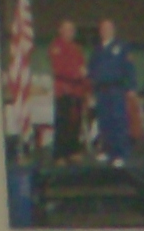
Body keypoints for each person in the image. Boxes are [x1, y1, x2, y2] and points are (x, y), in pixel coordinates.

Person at [88, 18, 135, 163]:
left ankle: (121, 154)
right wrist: (91, 90)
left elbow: (129, 68)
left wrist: (131, 87)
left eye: (108, 28)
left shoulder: (122, 47)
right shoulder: (97, 50)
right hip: (101, 91)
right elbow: (92, 71)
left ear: (113, 30)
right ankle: (107, 150)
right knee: (104, 122)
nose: (105, 31)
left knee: (118, 121)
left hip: (116, 89)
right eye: (102, 29)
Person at [47, 21, 88, 163]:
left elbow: (82, 66)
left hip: (77, 91)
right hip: (63, 90)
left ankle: (73, 150)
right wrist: (77, 73)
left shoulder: (77, 48)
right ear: (60, 31)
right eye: (66, 29)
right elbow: (59, 68)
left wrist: (85, 83)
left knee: (75, 122)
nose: (69, 33)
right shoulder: (56, 47)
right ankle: (59, 154)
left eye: (71, 30)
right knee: (63, 122)